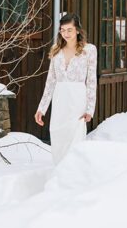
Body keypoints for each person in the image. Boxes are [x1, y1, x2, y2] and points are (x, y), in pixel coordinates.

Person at [34, 12, 97, 164]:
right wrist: (41, 108)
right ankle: (58, 175)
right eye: (63, 30)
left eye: (69, 30)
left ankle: (73, 177)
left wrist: (90, 109)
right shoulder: (56, 50)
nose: (66, 33)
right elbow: (50, 82)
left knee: (75, 141)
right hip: (60, 101)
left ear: (77, 30)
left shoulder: (89, 50)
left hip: (77, 101)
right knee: (58, 138)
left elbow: (92, 81)